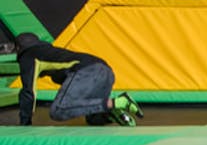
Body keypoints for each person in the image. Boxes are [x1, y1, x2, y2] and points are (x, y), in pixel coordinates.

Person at [14, 33, 142, 127]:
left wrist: (25, 123)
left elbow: (28, 91)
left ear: (19, 48)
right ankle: (110, 113)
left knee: (58, 110)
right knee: (93, 119)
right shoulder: (50, 51)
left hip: (86, 71)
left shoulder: (28, 56)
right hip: (106, 70)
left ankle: (117, 102)